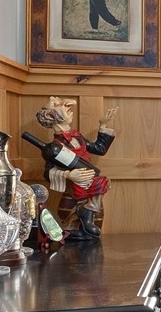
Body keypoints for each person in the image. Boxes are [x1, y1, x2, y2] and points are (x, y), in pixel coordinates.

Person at [33, 99, 117, 241]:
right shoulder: (55, 146)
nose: (69, 106)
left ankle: (87, 213)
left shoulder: (78, 137)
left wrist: (102, 124)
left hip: (91, 188)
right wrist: (69, 175)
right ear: (51, 117)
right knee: (70, 227)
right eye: (59, 105)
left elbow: (99, 149)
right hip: (73, 193)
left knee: (93, 230)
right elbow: (48, 173)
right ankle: (77, 225)